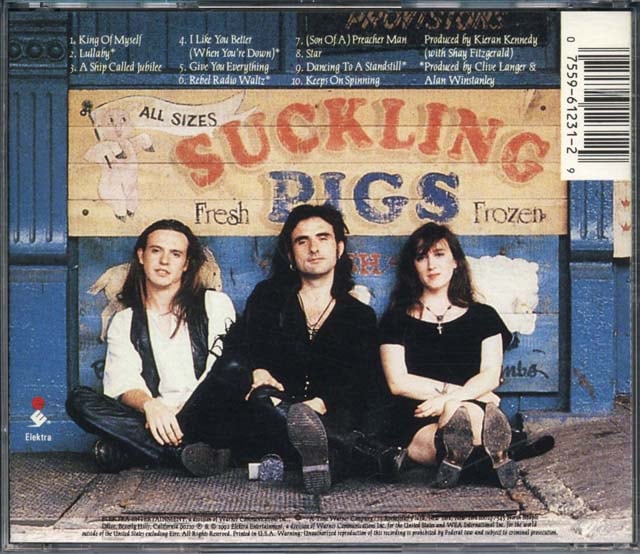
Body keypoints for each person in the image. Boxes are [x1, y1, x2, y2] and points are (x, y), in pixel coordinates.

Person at [238, 204, 402, 494]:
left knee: (358, 411)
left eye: (322, 238)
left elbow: (362, 379)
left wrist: (323, 403)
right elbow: (243, 346)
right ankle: (361, 454)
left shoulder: (358, 315)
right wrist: (258, 369)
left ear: (339, 248)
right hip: (278, 412)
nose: (313, 248)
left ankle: (322, 461)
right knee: (262, 400)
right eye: (302, 241)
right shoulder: (268, 299)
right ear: (290, 254)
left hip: (332, 413)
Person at [66, 219, 242, 477]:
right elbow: (123, 383)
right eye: (156, 250)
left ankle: (137, 450)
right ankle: (182, 453)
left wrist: (184, 409)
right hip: (157, 420)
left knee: (234, 368)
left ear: (186, 264)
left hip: (207, 415)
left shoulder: (214, 304)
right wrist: (151, 406)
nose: (164, 261)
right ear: (141, 256)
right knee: (79, 400)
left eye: (175, 254)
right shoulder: (125, 320)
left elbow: (221, 370)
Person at [379, 222, 518, 489]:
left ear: (455, 262)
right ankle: (494, 459)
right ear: (413, 266)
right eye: (422, 257)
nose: (431, 264)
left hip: (470, 407)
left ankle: (459, 458)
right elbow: (398, 383)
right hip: (416, 414)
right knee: (453, 421)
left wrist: (449, 400)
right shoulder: (395, 320)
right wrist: (465, 394)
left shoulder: (484, 317)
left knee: (461, 413)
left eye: (439, 254)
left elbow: (490, 375)